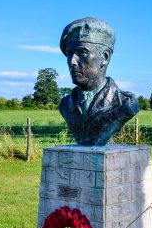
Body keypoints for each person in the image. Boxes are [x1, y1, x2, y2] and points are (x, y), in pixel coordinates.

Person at [59, 17, 139, 146]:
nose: (72, 61)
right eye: (69, 54)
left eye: (82, 53)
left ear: (105, 57)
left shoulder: (125, 104)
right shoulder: (65, 105)